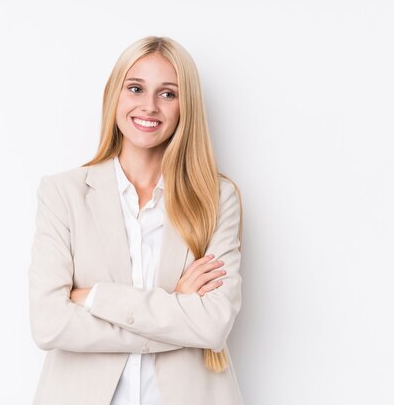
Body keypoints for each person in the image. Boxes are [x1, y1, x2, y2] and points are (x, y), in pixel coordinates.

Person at [28, 36, 244, 405]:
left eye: (168, 94)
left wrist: (95, 297)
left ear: (185, 106)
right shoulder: (63, 193)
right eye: (136, 88)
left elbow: (212, 324)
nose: (149, 106)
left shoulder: (216, 197)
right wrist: (176, 306)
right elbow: (49, 324)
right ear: (115, 95)